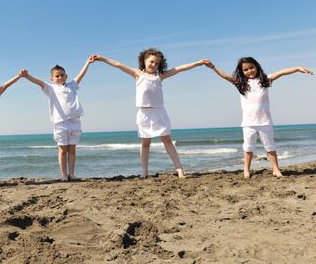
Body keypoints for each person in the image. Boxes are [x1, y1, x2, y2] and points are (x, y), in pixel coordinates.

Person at [93, 49, 211, 179]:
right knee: (145, 143)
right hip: (144, 114)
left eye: (157, 63)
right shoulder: (138, 74)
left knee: (167, 141)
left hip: (159, 112)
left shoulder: (160, 76)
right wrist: (102, 58)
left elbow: (179, 68)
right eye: (151, 61)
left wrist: (199, 63)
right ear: (144, 61)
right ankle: (144, 171)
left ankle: (179, 168)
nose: (153, 65)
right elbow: (118, 64)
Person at [207, 57, 313, 178]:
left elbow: (282, 72)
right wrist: (213, 67)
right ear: (242, 72)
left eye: (251, 67)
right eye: (246, 69)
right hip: (248, 123)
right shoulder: (241, 83)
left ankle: (276, 169)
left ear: (256, 67)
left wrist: (297, 68)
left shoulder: (265, 80)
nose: (249, 71)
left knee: (270, 146)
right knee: (248, 148)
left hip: (265, 121)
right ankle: (246, 170)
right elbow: (225, 76)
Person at [20, 56, 95, 181]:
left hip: (75, 123)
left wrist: (88, 62)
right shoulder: (51, 88)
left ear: (66, 76)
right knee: (62, 150)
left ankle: (72, 173)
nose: (59, 77)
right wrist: (27, 76)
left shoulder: (72, 86)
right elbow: (38, 82)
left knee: (72, 150)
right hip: (60, 124)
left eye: (62, 75)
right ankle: (63, 175)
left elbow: (81, 75)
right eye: (57, 76)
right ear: (52, 79)